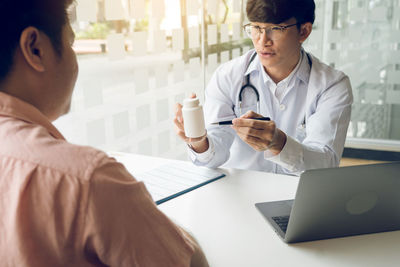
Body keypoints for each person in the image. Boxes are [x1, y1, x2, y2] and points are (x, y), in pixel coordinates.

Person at [0, 0, 208, 266]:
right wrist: (147, 219)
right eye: (71, 43)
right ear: (35, 49)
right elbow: (191, 262)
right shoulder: (87, 179)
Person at [174, 0, 353, 175]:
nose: (262, 40)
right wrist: (199, 142)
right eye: (256, 28)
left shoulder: (332, 85)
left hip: (298, 196)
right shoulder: (228, 76)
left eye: (275, 29)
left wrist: (280, 144)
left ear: (303, 31)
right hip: (241, 195)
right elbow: (214, 156)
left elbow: (325, 164)